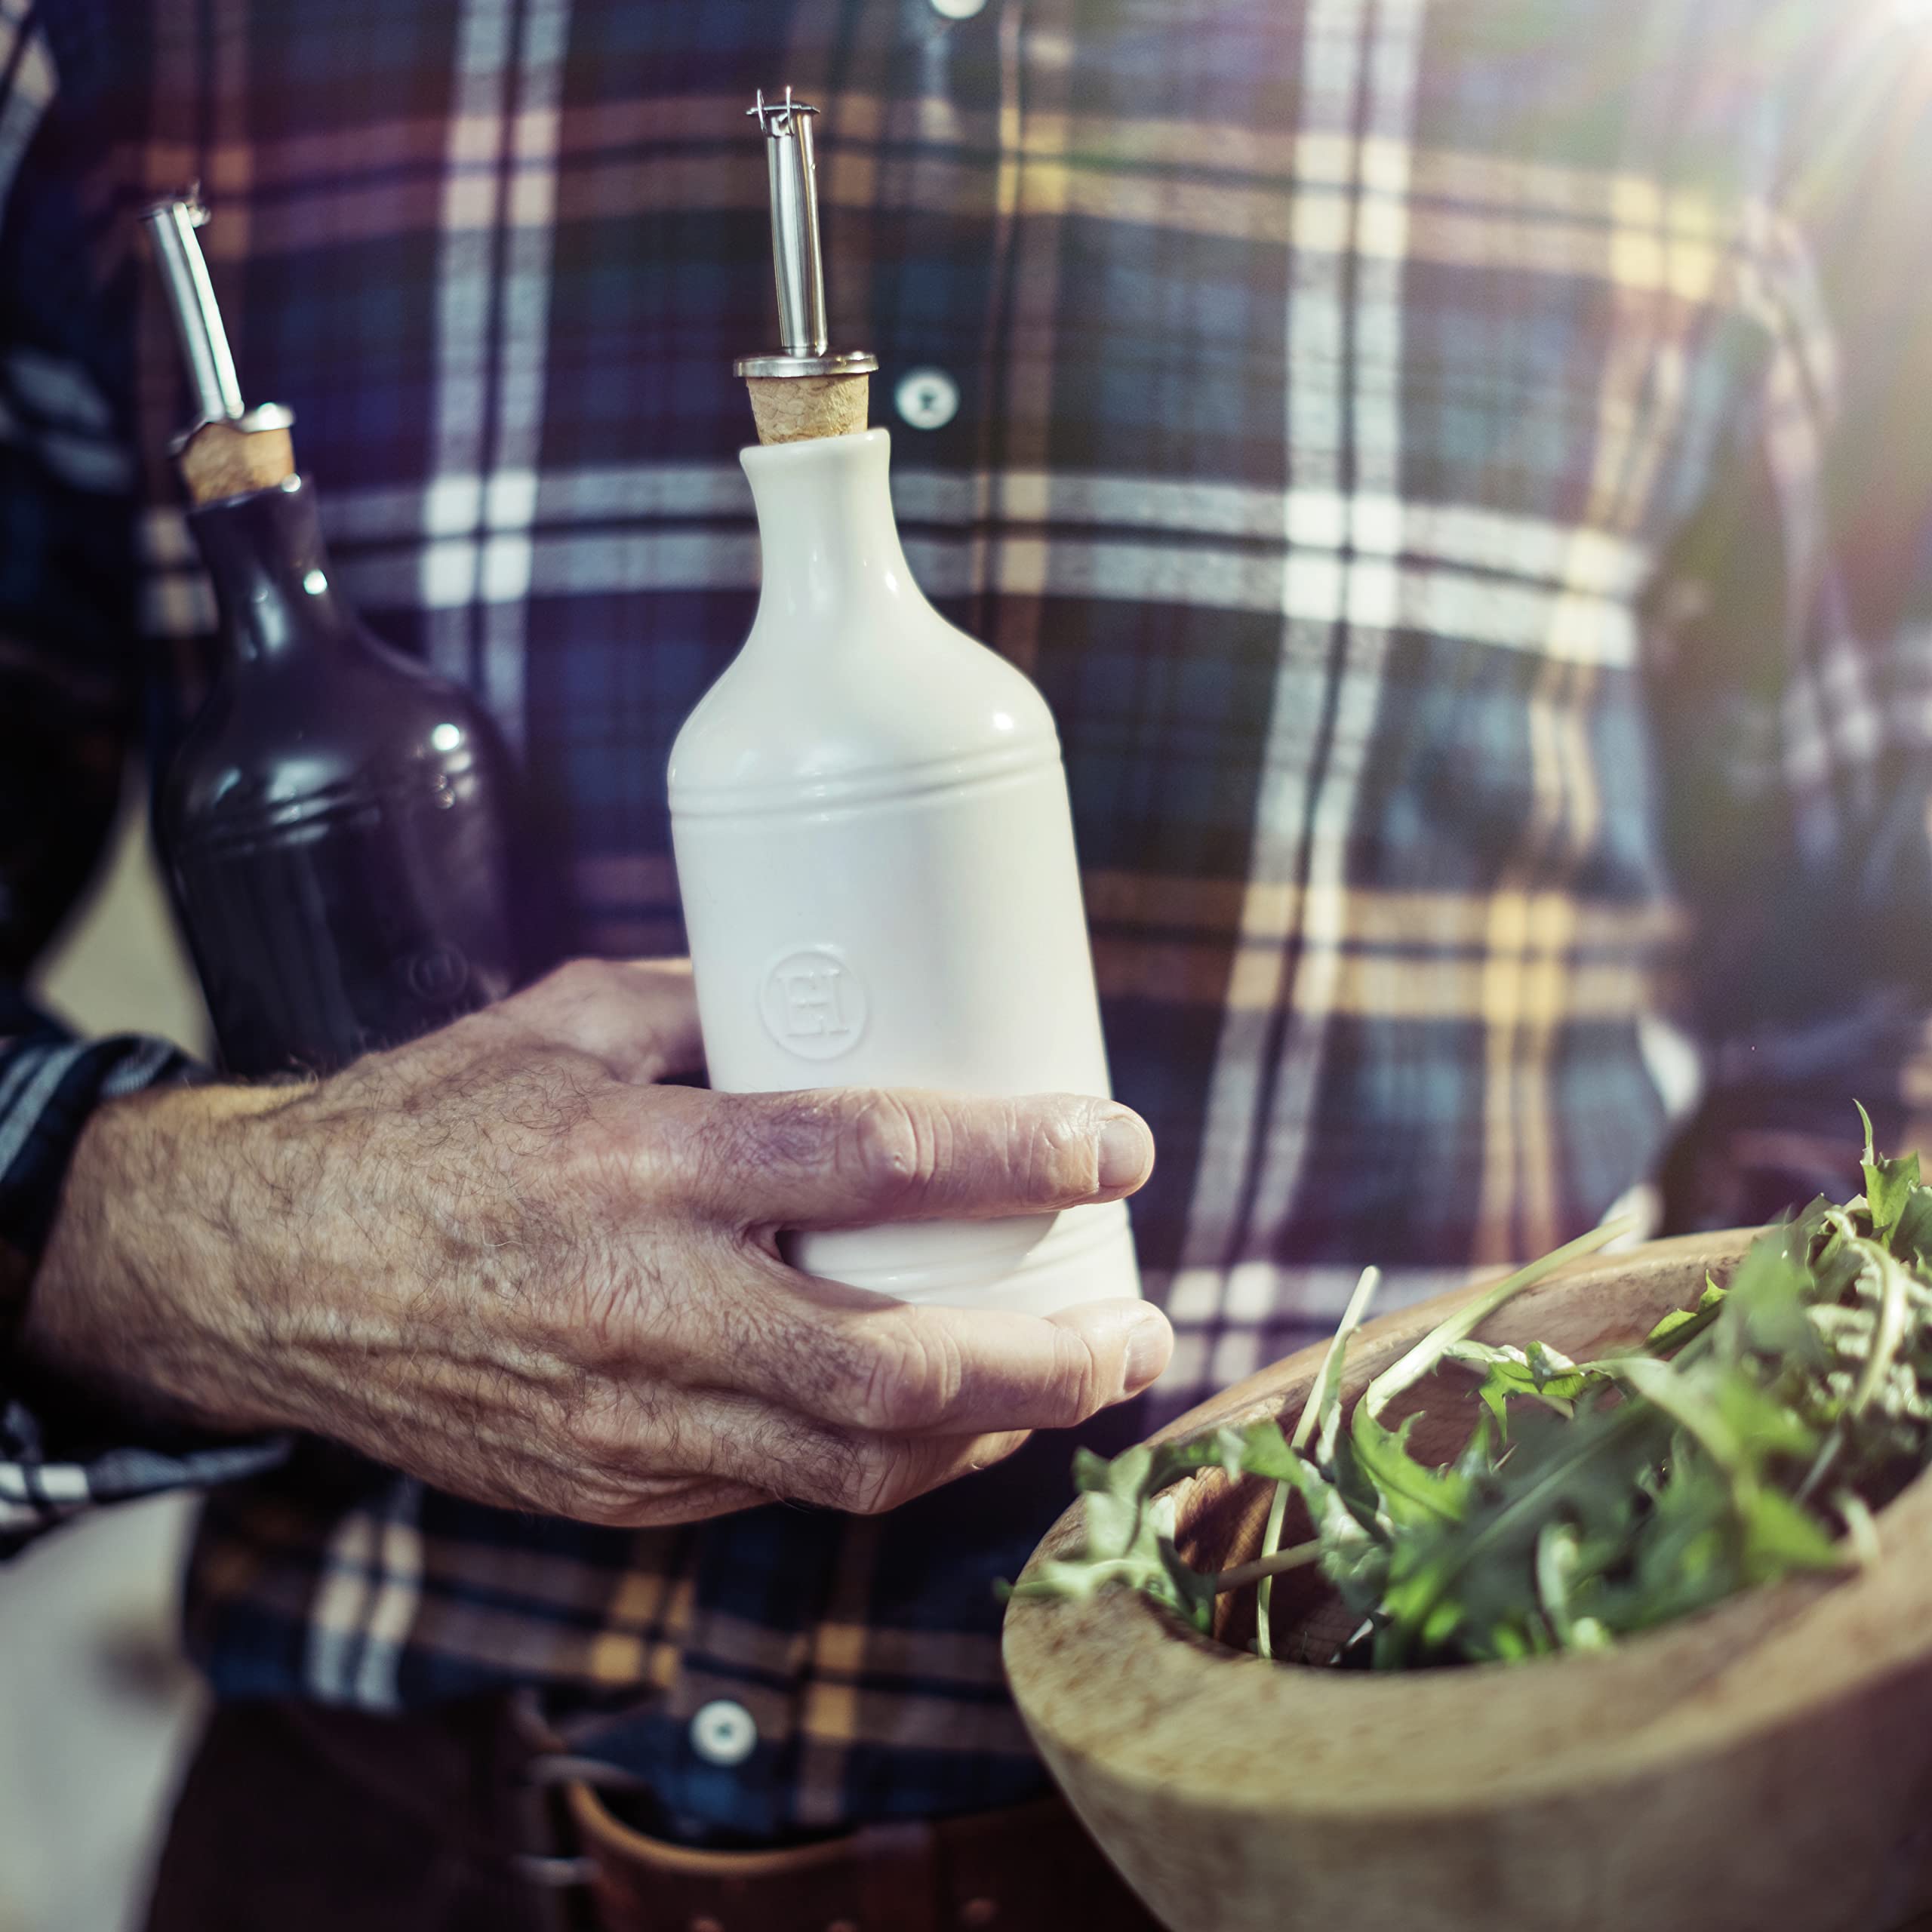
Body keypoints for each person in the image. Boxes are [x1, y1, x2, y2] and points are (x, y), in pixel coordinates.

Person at [5, 0, 1932, 1925]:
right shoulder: (145, 51)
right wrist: (231, 1242)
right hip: (391, 1844)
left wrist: (1678, 1599)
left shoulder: (1753, 71)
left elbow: (1890, 995)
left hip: (1394, 1842)